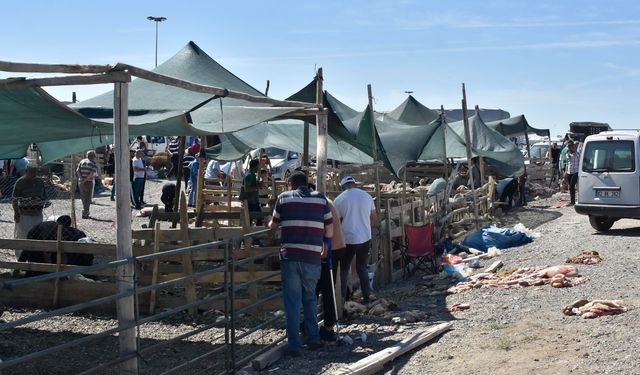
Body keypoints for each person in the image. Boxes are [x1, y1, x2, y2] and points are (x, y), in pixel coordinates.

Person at [269, 171, 333, 355]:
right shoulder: (321, 200)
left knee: (292, 301)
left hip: (290, 256)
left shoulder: (283, 198)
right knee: (311, 297)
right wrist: (325, 245)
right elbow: (329, 230)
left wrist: (270, 233)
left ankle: (295, 345)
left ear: (290, 184)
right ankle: (313, 338)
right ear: (307, 183)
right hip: (312, 257)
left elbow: (273, 226)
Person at [333, 176, 377, 304]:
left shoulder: (339, 199)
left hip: (349, 239)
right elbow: (374, 218)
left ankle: (342, 299)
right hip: (365, 237)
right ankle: (367, 298)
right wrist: (365, 226)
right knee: (362, 268)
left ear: (343, 186)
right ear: (354, 184)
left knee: (344, 268)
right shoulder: (367, 196)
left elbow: (337, 221)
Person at [19, 215, 93, 276]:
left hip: (35, 235)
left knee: (35, 261)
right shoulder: (74, 233)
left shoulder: (54, 229)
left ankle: (33, 274)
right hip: (44, 239)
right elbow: (61, 254)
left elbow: (28, 247)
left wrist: (19, 265)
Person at [315, 197, 346, 342]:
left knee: (325, 289)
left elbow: (323, 227)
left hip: (329, 248)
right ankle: (321, 322)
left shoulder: (318, 202)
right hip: (337, 245)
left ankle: (328, 326)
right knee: (324, 287)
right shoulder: (326, 200)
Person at [12, 165, 47, 248]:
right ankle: (20, 257)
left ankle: (34, 255)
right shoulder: (20, 182)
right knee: (23, 236)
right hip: (24, 214)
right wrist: (16, 213)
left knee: (37, 236)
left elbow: (44, 196)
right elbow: (14, 199)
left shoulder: (40, 181)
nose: (33, 173)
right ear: (26, 171)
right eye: (31, 171)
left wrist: (42, 203)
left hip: (37, 214)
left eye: (35, 171)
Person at [76, 150, 98, 219]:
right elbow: (91, 173)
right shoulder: (93, 163)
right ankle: (85, 212)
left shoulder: (82, 161)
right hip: (88, 182)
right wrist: (85, 180)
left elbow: (77, 171)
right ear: (94, 156)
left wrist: (81, 179)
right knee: (88, 198)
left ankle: (85, 211)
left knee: (83, 197)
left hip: (80, 182)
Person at [243, 159, 262, 225]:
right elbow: (246, 189)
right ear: (255, 166)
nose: (259, 168)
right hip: (250, 202)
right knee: (250, 219)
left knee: (259, 217)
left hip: (254, 201)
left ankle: (257, 232)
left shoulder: (252, 174)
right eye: (258, 166)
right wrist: (257, 187)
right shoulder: (249, 175)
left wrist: (258, 184)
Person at [565, 141, 580, 206]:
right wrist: (565, 172)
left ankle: (573, 201)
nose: (571, 148)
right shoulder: (567, 154)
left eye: (572, 146)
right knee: (570, 187)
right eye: (570, 147)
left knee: (572, 186)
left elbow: (580, 162)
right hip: (569, 171)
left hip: (575, 171)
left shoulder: (577, 154)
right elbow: (567, 164)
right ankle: (572, 200)